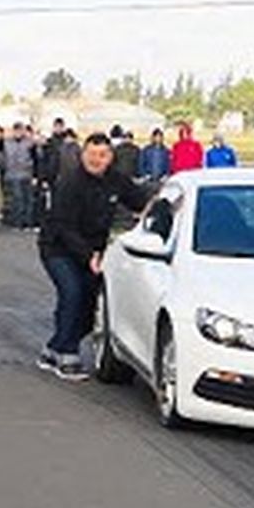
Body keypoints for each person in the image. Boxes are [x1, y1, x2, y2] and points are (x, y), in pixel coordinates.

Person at [38, 133, 151, 381]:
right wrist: (88, 255)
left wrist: (159, 208)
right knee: (72, 293)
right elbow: (64, 226)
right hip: (58, 248)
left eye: (102, 155)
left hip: (96, 250)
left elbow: (141, 201)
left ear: (110, 157)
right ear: (82, 155)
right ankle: (68, 355)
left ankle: (53, 348)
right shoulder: (69, 183)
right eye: (91, 154)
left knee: (93, 305)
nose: (96, 160)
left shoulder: (116, 181)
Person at [0, 122, 38, 229]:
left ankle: (28, 223)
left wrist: (35, 175)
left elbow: (36, 159)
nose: (19, 133)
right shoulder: (6, 143)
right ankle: (18, 223)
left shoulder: (30, 143)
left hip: (27, 174)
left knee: (28, 200)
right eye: (17, 130)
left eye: (21, 130)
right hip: (12, 175)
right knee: (17, 199)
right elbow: (1, 158)